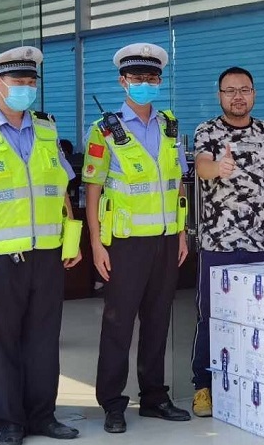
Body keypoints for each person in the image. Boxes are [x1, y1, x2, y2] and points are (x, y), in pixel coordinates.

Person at [0, 46, 82, 445]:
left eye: (30, 82)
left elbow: (60, 186)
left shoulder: (46, 128)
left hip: (48, 253)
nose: (26, 89)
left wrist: (71, 239)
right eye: (18, 82)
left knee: (44, 340)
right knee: (4, 342)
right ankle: (11, 423)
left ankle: (44, 417)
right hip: (1, 258)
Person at [82, 42, 191, 434]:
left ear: (159, 81)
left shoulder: (169, 125)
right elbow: (92, 189)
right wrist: (96, 243)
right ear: (123, 82)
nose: (145, 84)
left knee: (158, 320)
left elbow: (177, 182)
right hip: (124, 243)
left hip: (165, 239)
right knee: (118, 324)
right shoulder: (104, 130)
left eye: (151, 77)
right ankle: (112, 403)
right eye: (137, 77)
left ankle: (155, 397)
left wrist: (181, 232)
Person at [190, 66, 264, 418]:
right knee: (211, 317)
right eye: (230, 91)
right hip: (217, 244)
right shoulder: (207, 130)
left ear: (253, 93)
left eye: (244, 90)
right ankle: (203, 386)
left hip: (260, 244)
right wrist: (218, 169)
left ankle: (255, 382)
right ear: (220, 95)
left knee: (260, 318)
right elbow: (202, 167)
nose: (237, 97)